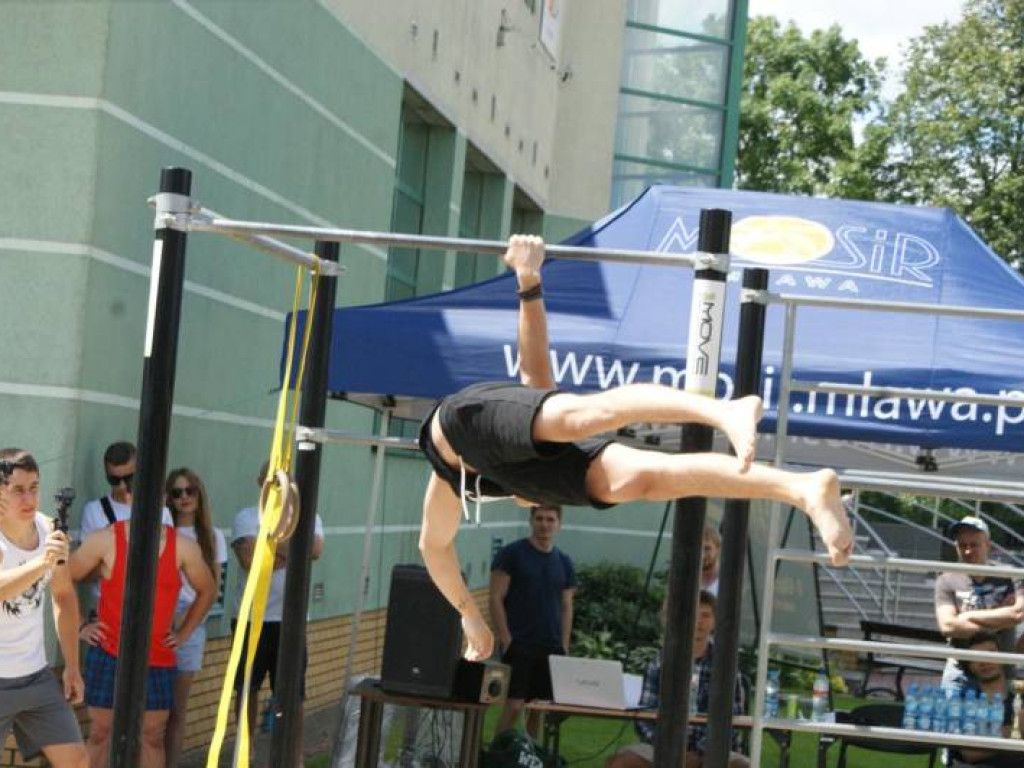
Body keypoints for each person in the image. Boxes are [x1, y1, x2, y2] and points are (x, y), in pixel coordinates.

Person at [418, 235, 855, 659]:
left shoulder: (447, 468)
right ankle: (800, 488)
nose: (534, 511)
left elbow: (534, 378)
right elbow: (435, 547)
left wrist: (529, 283)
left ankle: (726, 411)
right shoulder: (506, 478)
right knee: (643, 480)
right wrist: (471, 617)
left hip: (462, 424)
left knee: (578, 416)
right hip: (518, 465)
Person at [70, 497, 215, 768]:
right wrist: (80, 625)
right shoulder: (107, 539)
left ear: (162, 500)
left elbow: (207, 589)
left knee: (151, 736)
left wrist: (183, 633)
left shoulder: (182, 546)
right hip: (110, 650)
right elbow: (64, 577)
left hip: (157, 656)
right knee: (102, 733)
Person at [0, 448, 88, 768]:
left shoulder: (48, 529)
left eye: (34, 487)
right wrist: (41, 564)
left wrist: (72, 666)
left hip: (35, 677)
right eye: (18, 489)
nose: (29, 498)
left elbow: (63, 596)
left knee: (77, 761)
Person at [231, 461, 324, 741]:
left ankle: (291, 758)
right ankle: (243, 755)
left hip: (290, 620)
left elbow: (315, 549)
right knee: (247, 688)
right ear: (260, 483)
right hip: (251, 619)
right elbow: (250, 560)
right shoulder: (247, 517)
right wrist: (292, 547)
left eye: (283, 483)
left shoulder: (307, 516)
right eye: (272, 482)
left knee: (292, 693)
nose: (278, 489)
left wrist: (267, 543)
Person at [606, 591, 749, 768]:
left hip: (713, 749)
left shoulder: (726, 665)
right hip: (661, 746)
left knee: (740, 765)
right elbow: (644, 715)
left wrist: (699, 752)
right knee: (621, 763)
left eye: (706, 615)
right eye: (694, 615)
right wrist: (670, 749)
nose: (699, 621)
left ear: (715, 621)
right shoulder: (661, 660)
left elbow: (731, 719)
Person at [490, 503, 576, 737]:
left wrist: (564, 645)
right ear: (531, 521)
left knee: (537, 709)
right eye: (539, 518)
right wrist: (506, 639)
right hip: (519, 643)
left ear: (559, 524)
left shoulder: (564, 562)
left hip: (551, 645)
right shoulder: (511, 554)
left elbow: (567, 606)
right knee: (514, 706)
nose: (544, 524)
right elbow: (496, 598)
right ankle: (500, 756)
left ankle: (530, 758)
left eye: (550, 519)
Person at [77, 441, 173, 647]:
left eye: (129, 478)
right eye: (114, 479)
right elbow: (81, 575)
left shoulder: (160, 512)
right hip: (106, 617)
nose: (121, 486)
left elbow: (168, 567)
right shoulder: (94, 510)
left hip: (150, 616)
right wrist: (112, 558)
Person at [163, 468, 227, 768]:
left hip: (191, 621)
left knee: (177, 709)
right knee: (152, 708)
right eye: (177, 492)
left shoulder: (212, 537)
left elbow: (213, 588)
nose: (184, 497)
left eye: (190, 490)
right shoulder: (163, 532)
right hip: (159, 619)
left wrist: (186, 627)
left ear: (199, 494)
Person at [935, 516, 1024, 696]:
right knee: (953, 722)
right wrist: (1000, 619)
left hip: (999, 670)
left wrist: (966, 617)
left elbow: (1018, 614)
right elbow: (948, 626)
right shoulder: (946, 579)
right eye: (962, 545)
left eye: (974, 544)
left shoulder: (1011, 575)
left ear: (988, 545)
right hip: (959, 670)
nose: (968, 551)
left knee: (999, 723)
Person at [951, 633, 1021, 767]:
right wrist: (1015, 730)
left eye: (991, 654)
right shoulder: (963, 702)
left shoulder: (1019, 693)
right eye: (977, 657)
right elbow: (970, 753)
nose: (985, 662)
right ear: (968, 665)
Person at [701, 524, 721, 595]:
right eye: (698, 549)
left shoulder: (727, 580)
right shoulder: (686, 580)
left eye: (707, 549)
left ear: (718, 548)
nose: (702, 555)